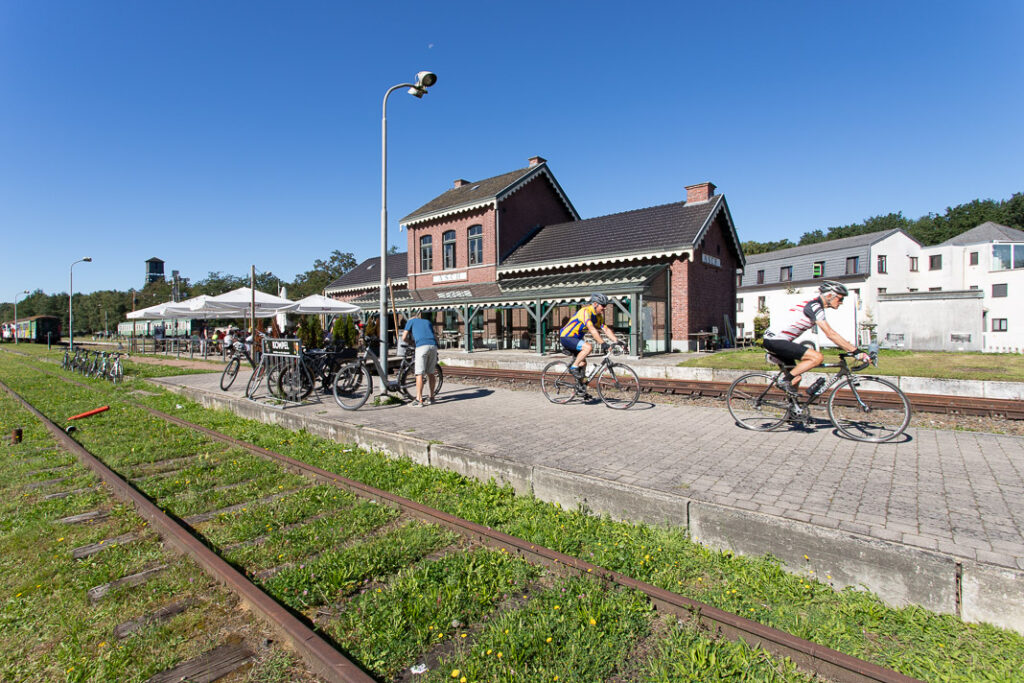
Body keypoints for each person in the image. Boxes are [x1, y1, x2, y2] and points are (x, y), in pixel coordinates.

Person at [762, 281, 870, 395]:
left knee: (796, 378)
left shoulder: (817, 307)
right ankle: (784, 381)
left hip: (778, 341)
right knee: (817, 357)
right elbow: (830, 334)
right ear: (829, 295)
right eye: (840, 299)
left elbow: (832, 334)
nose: (841, 302)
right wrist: (856, 351)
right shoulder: (814, 306)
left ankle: (793, 409)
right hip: (775, 341)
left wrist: (850, 348)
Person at [558, 293, 619, 381]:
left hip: (577, 339)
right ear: (595, 304)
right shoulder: (585, 312)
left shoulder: (598, 316)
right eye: (603, 305)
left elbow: (606, 329)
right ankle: (573, 367)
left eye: (606, 305)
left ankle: (580, 389)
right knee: (588, 347)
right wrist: (603, 343)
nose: (605, 308)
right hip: (567, 336)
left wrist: (617, 341)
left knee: (583, 364)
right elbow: (592, 329)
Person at [400, 313, 439, 407]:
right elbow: (435, 336)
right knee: (431, 372)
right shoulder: (427, 321)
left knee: (419, 373)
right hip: (433, 345)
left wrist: (411, 342)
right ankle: (432, 397)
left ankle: (419, 400)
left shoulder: (410, 321)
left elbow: (404, 337)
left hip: (421, 346)